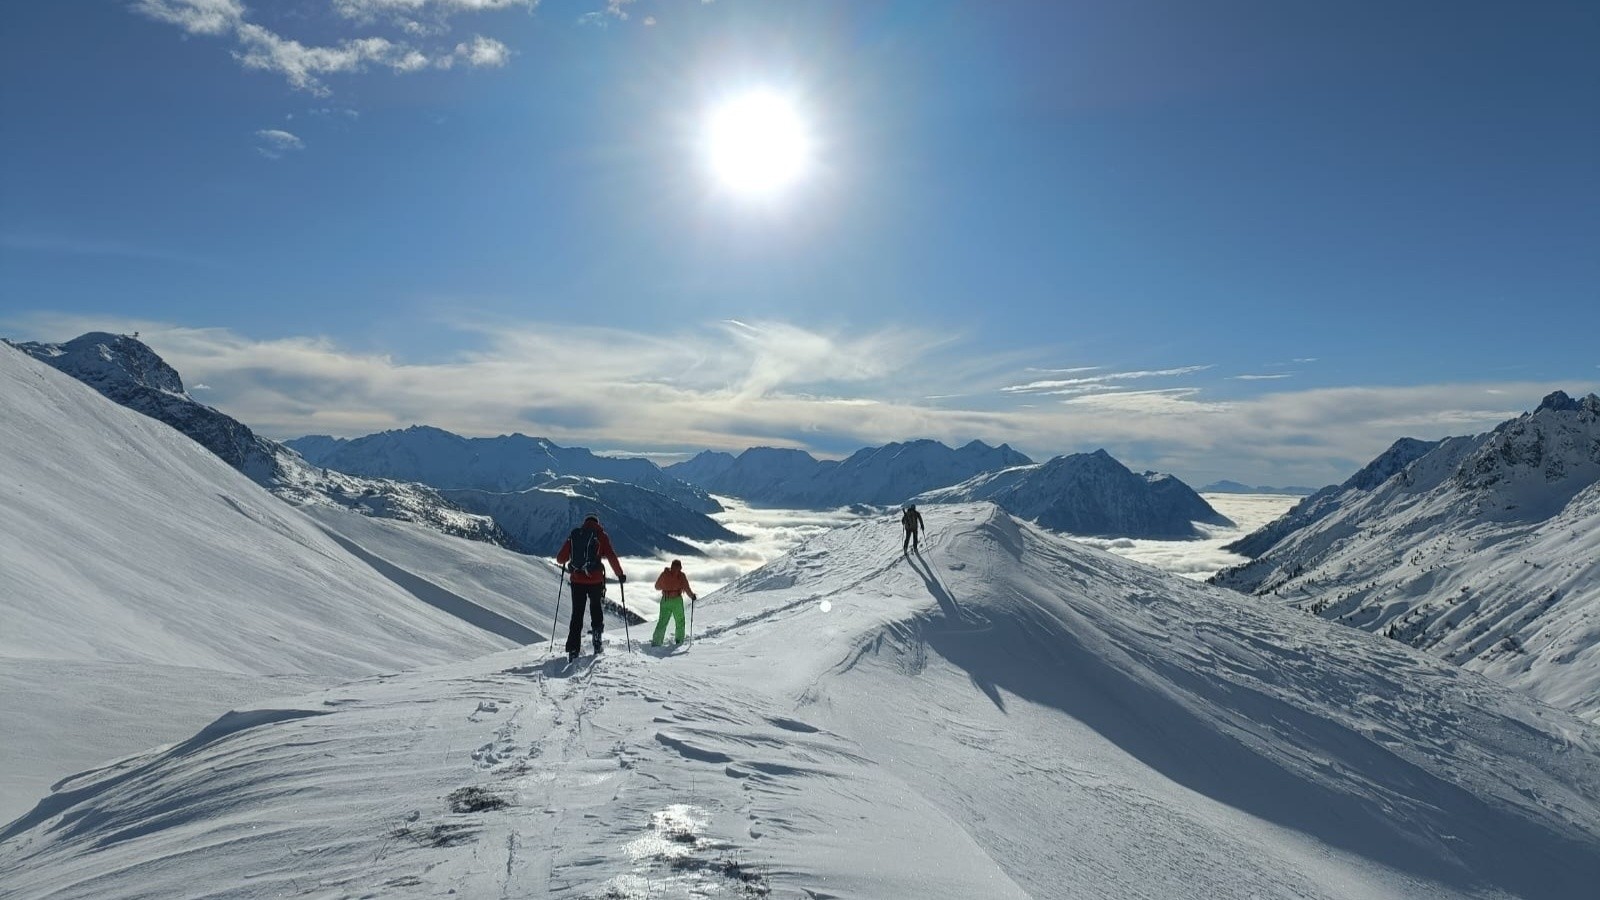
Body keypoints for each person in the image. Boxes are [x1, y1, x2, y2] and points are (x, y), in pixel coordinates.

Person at [556, 514, 626, 660]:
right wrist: (619, 574)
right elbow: (611, 556)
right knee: (596, 609)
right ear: (597, 523)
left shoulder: (575, 535)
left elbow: (560, 558)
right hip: (595, 581)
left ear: (585, 522)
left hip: (577, 581)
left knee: (577, 614)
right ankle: (597, 640)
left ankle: (574, 649)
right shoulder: (601, 536)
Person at [651, 559, 697, 647]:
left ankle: (656, 642)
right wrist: (692, 596)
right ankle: (679, 641)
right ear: (680, 567)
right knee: (680, 621)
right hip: (677, 600)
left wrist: (665, 585)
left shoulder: (665, 574)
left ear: (671, 566)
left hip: (665, 600)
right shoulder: (681, 576)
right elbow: (687, 589)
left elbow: (657, 587)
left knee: (662, 622)